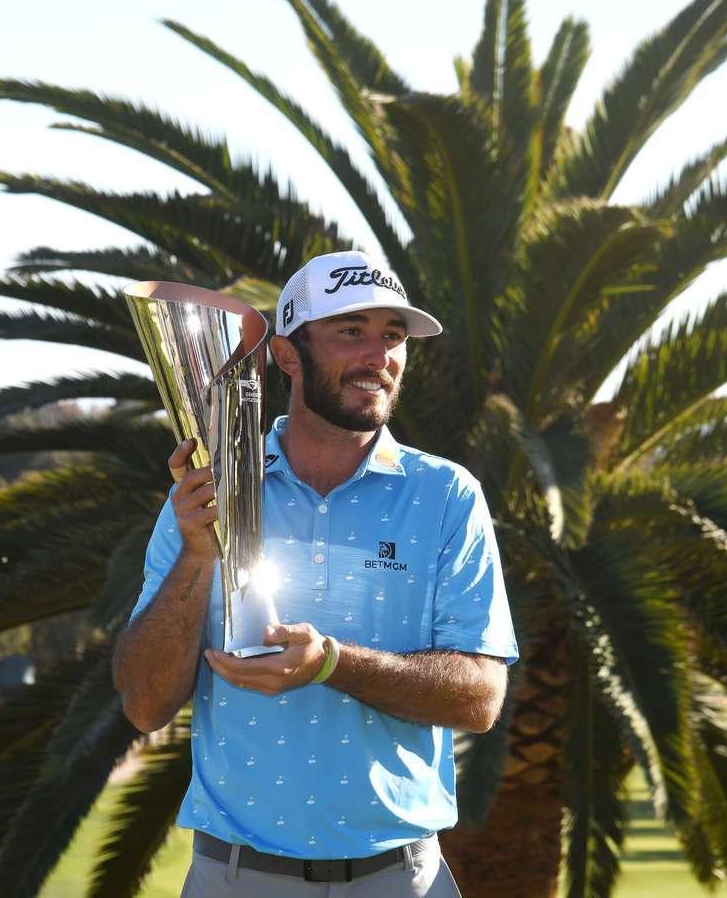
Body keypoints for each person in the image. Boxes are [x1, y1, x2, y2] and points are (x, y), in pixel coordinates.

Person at [113, 250, 518, 896]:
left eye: (392, 336)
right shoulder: (207, 492)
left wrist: (332, 663)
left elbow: (480, 697)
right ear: (287, 355)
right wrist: (195, 554)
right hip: (237, 879)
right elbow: (143, 702)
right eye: (350, 332)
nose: (378, 355)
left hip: (400, 880)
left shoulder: (448, 498)